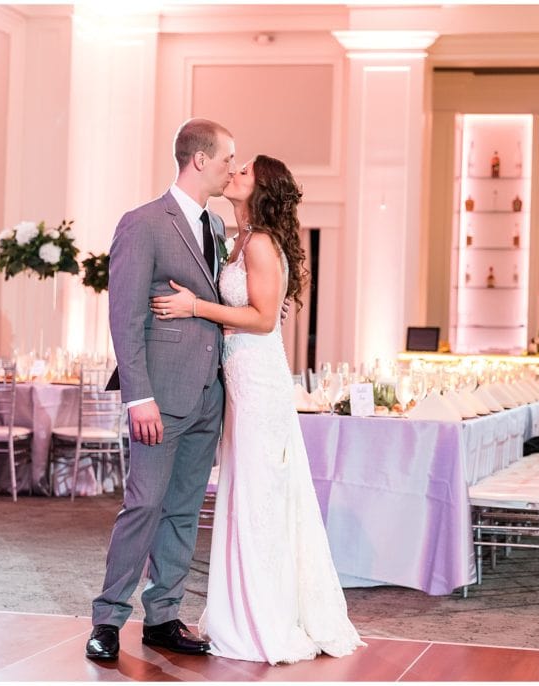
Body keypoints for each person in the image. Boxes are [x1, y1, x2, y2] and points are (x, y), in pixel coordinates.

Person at [149, 155, 365, 664]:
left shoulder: (263, 243)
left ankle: (263, 617)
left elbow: (265, 319)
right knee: (244, 492)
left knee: (261, 494)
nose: (233, 173)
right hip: (237, 379)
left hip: (260, 384)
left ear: (261, 188)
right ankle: (241, 609)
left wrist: (194, 308)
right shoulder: (236, 239)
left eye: (243, 171)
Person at [85, 118, 235, 661]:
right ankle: (107, 620)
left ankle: (164, 615)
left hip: (206, 397)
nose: (231, 170)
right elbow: (124, 317)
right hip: (158, 398)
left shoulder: (218, 228)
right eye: (225, 160)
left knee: (183, 508)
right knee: (143, 504)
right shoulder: (143, 223)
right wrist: (138, 396)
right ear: (199, 159)